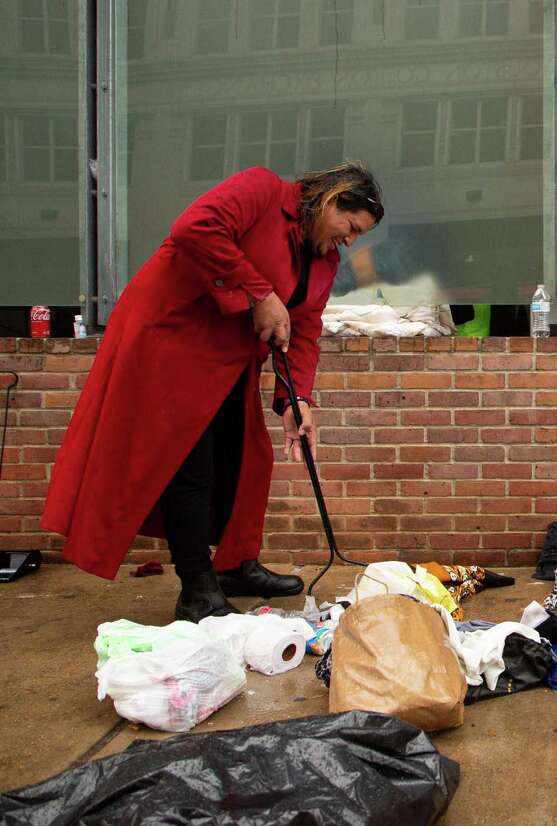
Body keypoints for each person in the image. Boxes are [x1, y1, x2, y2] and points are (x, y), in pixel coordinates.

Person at [43, 162, 384, 621]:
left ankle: (234, 565)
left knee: (246, 457)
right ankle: (197, 589)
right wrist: (260, 293)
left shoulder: (323, 261)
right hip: (172, 336)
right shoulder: (262, 191)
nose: (349, 240)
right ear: (331, 200)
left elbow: (303, 330)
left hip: (228, 358)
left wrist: (296, 398)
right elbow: (194, 228)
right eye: (351, 226)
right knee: (192, 463)